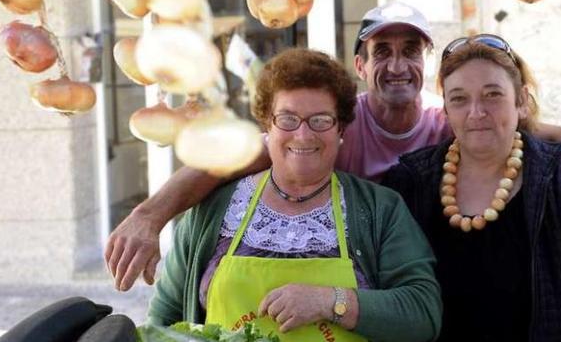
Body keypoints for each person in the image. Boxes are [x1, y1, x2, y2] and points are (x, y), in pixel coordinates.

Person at [106, 2, 561, 292]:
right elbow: (226, 160)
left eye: (410, 49)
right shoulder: (329, 129)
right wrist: (149, 217)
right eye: (381, 50)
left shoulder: (454, 126)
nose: (396, 63)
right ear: (360, 66)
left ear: (425, 68)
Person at [148, 48, 441, 342]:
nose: (303, 135)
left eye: (320, 120)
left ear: (341, 127)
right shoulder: (214, 211)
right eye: (288, 119)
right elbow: (163, 321)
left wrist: (331, 302)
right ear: (267, 124)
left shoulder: (380, 209)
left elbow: (423, 312)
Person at [383, 35, 561, 341]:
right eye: (459, 98)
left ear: (522, 102)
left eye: (492, 95)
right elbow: (389, 296)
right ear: (445, 110)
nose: (476, 112)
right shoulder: (410, 183)